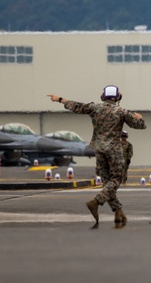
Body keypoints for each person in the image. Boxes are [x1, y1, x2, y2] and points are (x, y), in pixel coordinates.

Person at [47, 86, 145, 225]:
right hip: (114, 150)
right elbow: (139, 125)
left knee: (106, 182)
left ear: (102, 97)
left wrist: (60, 100)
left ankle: (118, 212)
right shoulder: (122, 111)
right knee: (116, 179)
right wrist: (139, 118)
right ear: (118, 97)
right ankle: (96, 201)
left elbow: (77, 106)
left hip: (99, 150)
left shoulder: (95, 107)